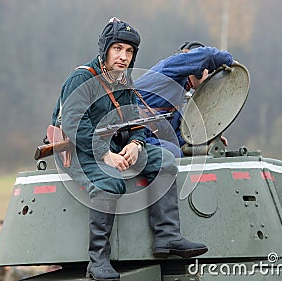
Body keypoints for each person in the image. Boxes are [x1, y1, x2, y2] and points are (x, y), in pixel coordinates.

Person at [51, 17, 208, 281]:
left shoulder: (124, 82)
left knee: (166, 161)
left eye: (129, 51)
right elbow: (75, 122)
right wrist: (105, 154)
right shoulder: (82, 78)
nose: (123, 56)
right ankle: (98, 260)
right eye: (118, 49)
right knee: (108, 180)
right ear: (105, 49)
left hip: (116, 145)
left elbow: (134, 120)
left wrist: (136, 144)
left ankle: (167, 238)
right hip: (80, 149)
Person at [134, 41, 234, 157]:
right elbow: (208, 55)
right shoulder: (171, 66)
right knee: (173, 154)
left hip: (145, 136)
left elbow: (176, 136)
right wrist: (230, 62)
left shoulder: (180, 94)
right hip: (133, 134)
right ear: (200, 70)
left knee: (183, 153)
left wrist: (204, 140)